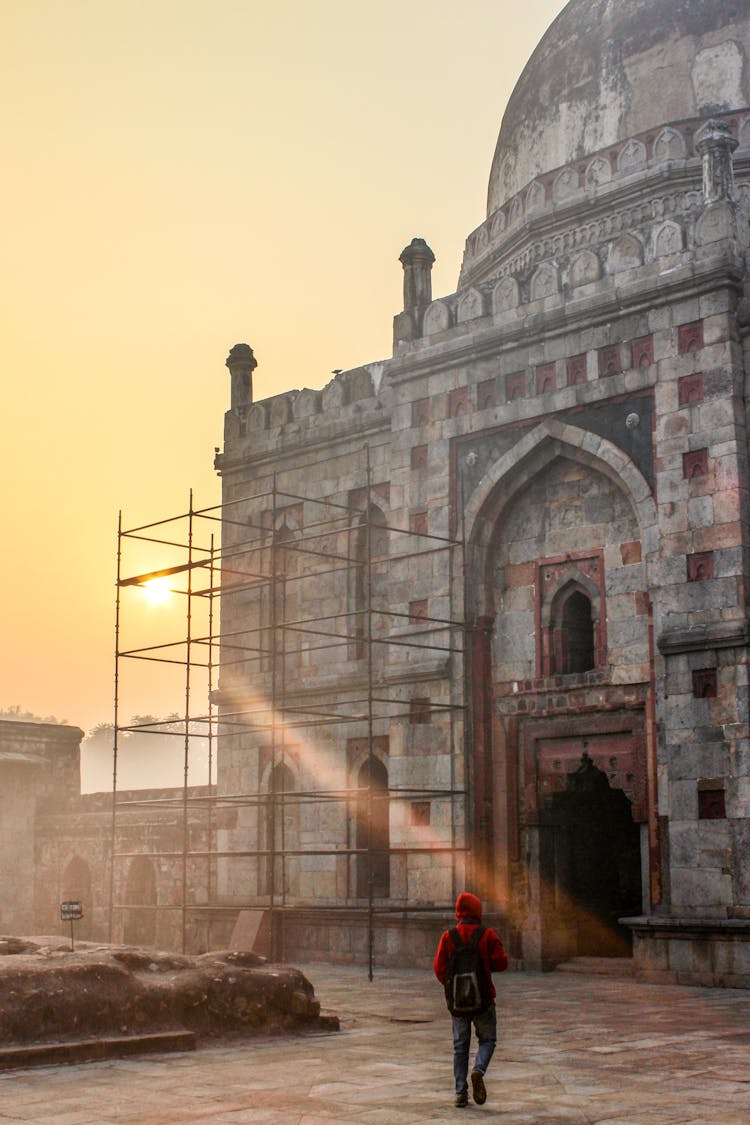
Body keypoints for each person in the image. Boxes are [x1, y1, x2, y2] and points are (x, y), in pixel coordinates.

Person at [433, 892, 508, 1108]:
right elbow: (501, 963)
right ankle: (479, 1069)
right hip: (483, 999)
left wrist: (453, 986)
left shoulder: (449, 936)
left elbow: (440, 969)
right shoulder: (487, 935)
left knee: (460, 1046)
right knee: (488, 1039)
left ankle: (460, 1093)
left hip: (459, 1002)